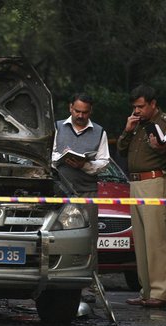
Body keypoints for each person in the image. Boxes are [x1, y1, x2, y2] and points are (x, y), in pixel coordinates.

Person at [116, 85, 166, 308]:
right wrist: (127, 130)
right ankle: (146, 291)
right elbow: (120, 150)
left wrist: (161, 150)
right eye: (134, 107)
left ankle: (160, 293)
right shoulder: (136, 123)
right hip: (136, 183)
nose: (136, 111)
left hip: (155, 182)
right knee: (141, 240)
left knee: (156, 240)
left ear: (153, 104)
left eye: (141, 106)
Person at [51, 92, 110, 303]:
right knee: (56, 235)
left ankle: (89, 285)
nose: (80, 116)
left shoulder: (99, 132)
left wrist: (85, 165)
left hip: (87, 191)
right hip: (60, 190)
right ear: (70, 108)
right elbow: (48, 154)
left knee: (89, 238)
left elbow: (104, 161)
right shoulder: (57, 127)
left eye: (84, 112)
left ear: (90, 112)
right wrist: (62, 158)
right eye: (77, 111)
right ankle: (55, 278)